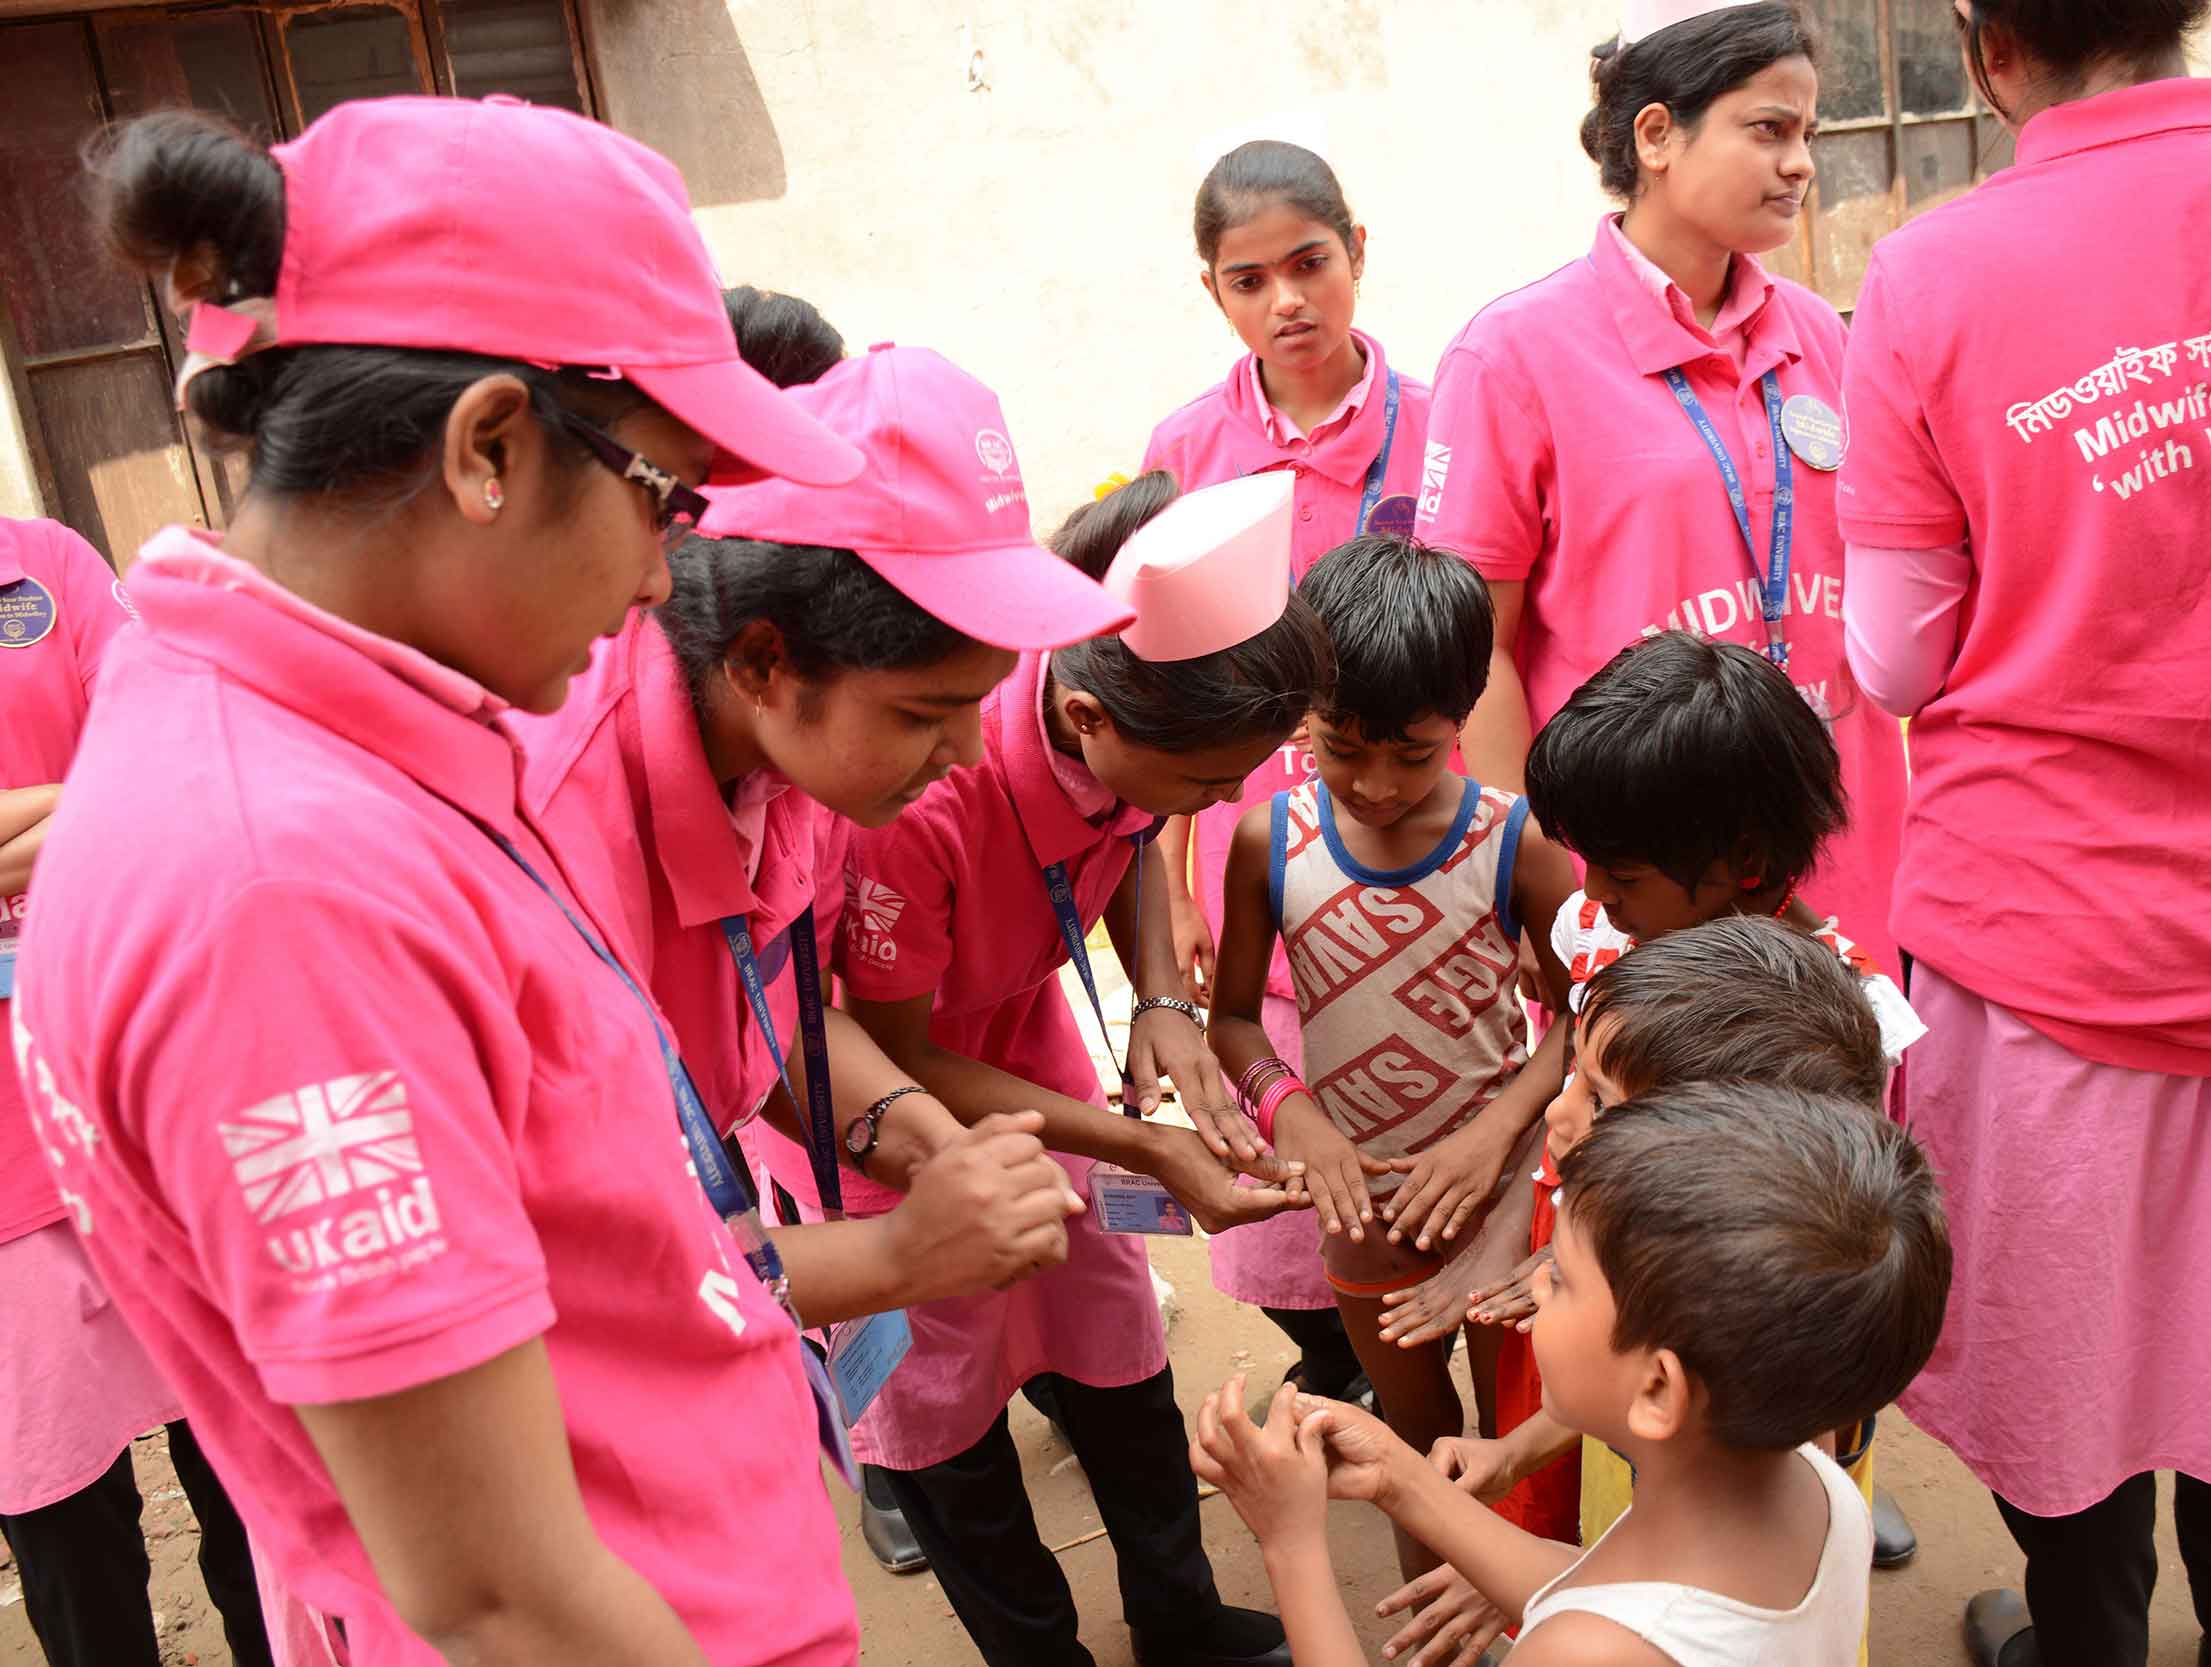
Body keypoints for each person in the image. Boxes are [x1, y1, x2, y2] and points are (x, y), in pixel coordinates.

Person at [11, 98, 884, 1667]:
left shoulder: (334, 742)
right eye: (662, 497)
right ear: (489, 447)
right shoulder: (281, 887)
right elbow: (502, 1591)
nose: (654, 578)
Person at [1836, 0, 2211, 1659]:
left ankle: (2082, 1632)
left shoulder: (1934, 276)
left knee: (2053, 1318)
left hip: (2027, 939)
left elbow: (1893, 657)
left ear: (1976, 37)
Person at [514, 335, 1117, 1578]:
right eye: (922, 713)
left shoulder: (801, 768)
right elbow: (596, 1284)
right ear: (762, 663)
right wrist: (899, 1254)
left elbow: (774, 1018)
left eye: (978, 701)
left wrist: (922, 1138)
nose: (963, 751)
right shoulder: (553, 844)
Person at [839, 469, 1330, 1667]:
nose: (1218, 805)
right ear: (1081, 721)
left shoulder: (1124, 723)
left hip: (1021, 1041)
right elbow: (900, 1053)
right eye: (1206, 785)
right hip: (897, 1099)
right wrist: (1143, 1141)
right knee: (943, 1394)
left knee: (1107, 1330)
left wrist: (1160, 996)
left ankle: (1177, 1615)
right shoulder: (925, 800)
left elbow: (1124, 839)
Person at [1416, 0, 1907, 984]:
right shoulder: (1514, 355)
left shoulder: (1820, 336)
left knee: (1850, 1125)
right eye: (1766, 128)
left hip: (1838, 859)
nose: (1800, 162)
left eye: (1804, 132)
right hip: (1638, 883)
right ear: (1655, 135)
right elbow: (1477, 655)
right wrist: (1541, 880)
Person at [1191, 1080, 1952, 1667]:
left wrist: (1291, 1543)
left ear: (1658, 1389)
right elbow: (1603, 1588)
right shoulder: (1813, 1487)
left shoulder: (1582, 1652)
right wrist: (1398, 1475)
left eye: (1562, 1274)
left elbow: (1597, 1622)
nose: (1538, 1283)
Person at [1205, 533, 1577, 1586]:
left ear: (1463, 716)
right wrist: (1295, 1114)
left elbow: (1584, 1013)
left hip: (1506, 1192)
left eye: (1411, 753)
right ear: (1303, 721)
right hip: (1363, 1202)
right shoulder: (1264, 839)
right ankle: (1436, 1629)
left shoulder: (1515, 842)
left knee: (1527, 1423)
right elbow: (1231, 1018)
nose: (1372, 782)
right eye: (1340, 747)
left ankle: (1531, 1616)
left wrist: (1495, 1133)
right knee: (1412, 1434)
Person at [1392, 915, 1898, 1667]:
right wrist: (1504, 1470)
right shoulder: (1803, 1456)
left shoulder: (1594, 1647)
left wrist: (1293, 1546)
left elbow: (1633, 1621)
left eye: (1598, 1097)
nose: (1558, 1116)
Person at [1143, 139, 1433, 1403]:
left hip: (1419, 833)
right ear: (1214, 295)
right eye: (1247, 279)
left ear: (1357, 250)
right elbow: (1162, 678)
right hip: (1253, 843)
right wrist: (1174, 884)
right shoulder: (1185, 446)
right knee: (1273, 1105)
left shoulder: (1441, 425)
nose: (1287, 302)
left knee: (1419, 1080)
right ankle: (1344, 1355)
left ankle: (1426, 1339)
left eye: (1308, 264)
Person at [0, 515, 271, 1667]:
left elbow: (156, 765)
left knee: (261, 1490)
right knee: (71, 1538)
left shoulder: (43, 563)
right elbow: (106, 791)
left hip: (149, 1104)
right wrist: (73, 811)